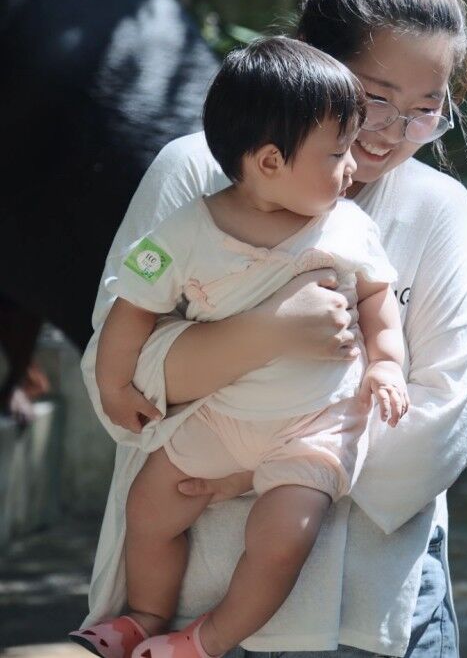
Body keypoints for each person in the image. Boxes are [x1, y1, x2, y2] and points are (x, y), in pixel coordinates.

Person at [77, 0, 467, 657]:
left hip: (373, 607)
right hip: (189, 590)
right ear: (309, 69)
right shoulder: (191, 175)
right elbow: (120, 378)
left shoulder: (437, 209)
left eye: (426, 109)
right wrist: (268, 331)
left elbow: (446, 413)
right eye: (372, 99)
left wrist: (255, 465)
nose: (393, 132)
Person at [71, 36, 411, 658]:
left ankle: (208, 638)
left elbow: (376, 301)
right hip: (222, 414)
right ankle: (145, 614)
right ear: (270, 162)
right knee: (149, 508)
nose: (352, 167)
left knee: (284, 535)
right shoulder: (181, 233)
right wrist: (116, 385)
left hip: (315, 423)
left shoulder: (348, 228)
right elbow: (131, 307)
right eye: (336, 153)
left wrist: (387, 364)